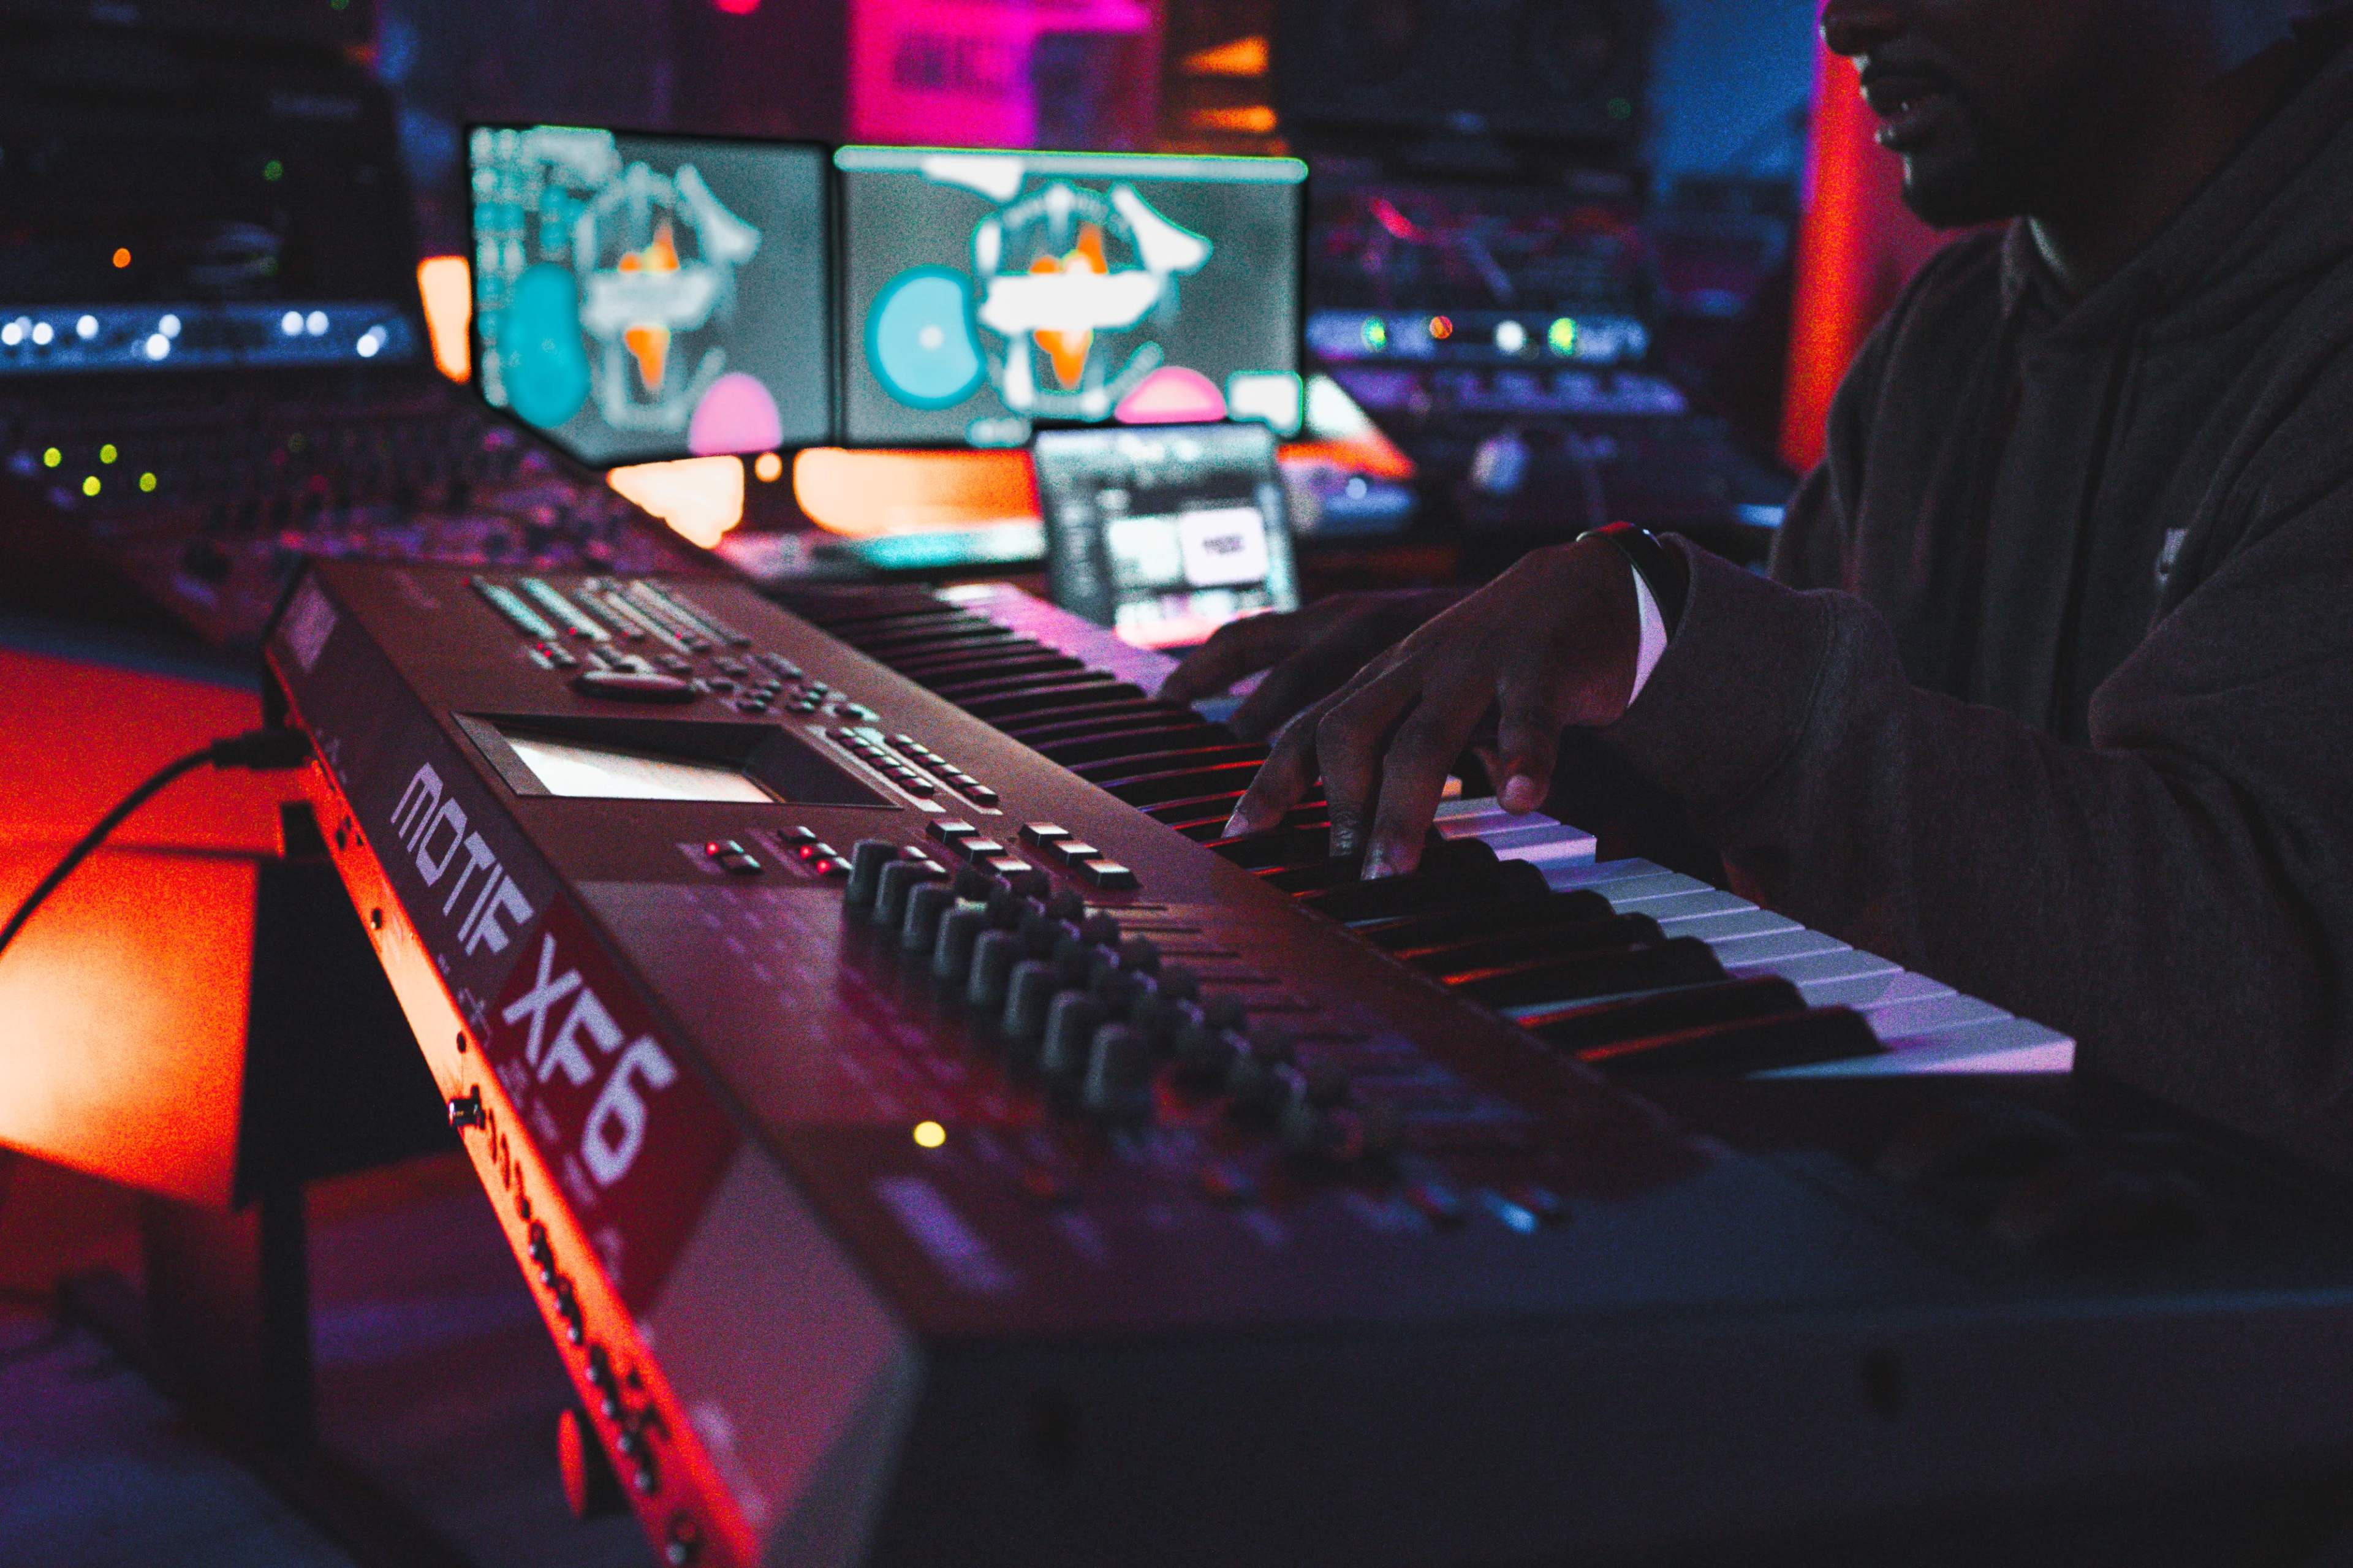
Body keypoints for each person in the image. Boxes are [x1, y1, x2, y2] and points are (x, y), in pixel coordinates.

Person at [1161, 0, 2353, 1167]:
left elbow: (2288, 994)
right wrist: (1502, 679)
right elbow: (1804, 815)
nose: (1844, 27)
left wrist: (1684, 639)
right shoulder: (1941, 342)